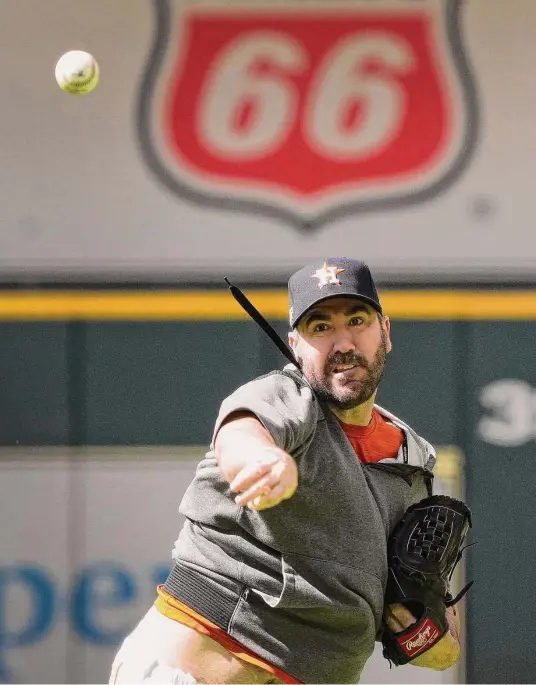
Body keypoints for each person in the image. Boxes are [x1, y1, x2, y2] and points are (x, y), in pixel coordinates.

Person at [109, 258, 462, 684]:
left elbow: (442, 652)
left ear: (385, 332)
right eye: (321, 328)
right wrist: (261, 460)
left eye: (356, 320)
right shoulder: (288, 400)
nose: (343, 342)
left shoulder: (411, 462)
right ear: (295, 345)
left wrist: (426, 635)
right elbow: (241, 430)